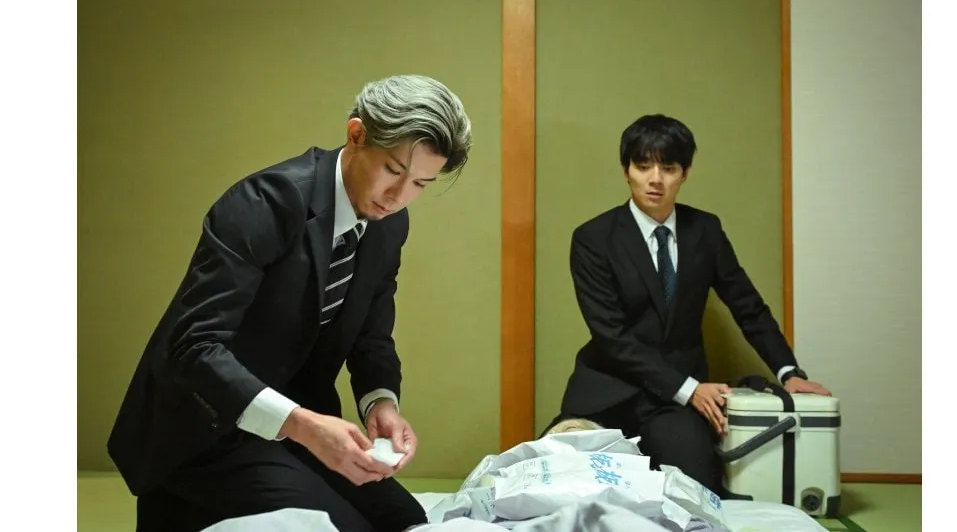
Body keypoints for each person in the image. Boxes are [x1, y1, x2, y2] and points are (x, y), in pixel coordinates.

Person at [106, 75, 473, 532]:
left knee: (405, 520)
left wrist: (381, 403)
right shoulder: (265, 202)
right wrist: (303, 426)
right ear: (356, 134)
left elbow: (371, 335)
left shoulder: (388, 224)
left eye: (420, 183)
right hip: (204, 427)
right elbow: (193, 346)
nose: (399, 197)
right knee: (340, 527)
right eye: (393, 171)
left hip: (296, 420)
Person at [543, 114, 830, 496]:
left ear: (685, 173)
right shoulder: (593, 238)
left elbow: (748, 306)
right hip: (609, 392)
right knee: (559, 486)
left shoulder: (705, 230)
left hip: (673, 404)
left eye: (668, 168)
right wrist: (689, 388)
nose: (655, 179)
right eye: (643, 166)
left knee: (698, 492)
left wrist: (789, 371)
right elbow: (612, 337)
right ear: (626, 171)